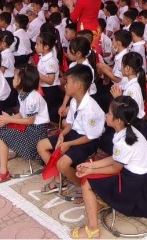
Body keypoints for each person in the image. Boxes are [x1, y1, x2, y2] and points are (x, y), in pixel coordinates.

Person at [73, 96, 147, 239]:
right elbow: (116, 158)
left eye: (108, 113)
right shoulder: (130, 131)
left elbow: (115, 168)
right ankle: (102, 202)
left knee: (86, 181)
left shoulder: (124, 142)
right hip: (140, 181)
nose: (106, 115)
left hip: (133, 188)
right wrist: (91, 165)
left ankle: (92, 229)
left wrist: (90, 170)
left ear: (118, 120)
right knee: (92, 173)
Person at [37, 66, 105, 196]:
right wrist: (62, 134)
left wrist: (68, 144)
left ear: (77, 85)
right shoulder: (74, 101)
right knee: (41, 145)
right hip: (74, 134)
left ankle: (82, 188)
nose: (65, 85)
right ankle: (59, 179)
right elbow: (71, 123)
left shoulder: (90, 109)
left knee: (62, 164)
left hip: (87, 141)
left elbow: (90, 137)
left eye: (67, 82)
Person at [0, 64, 50, 186]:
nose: (12, 80)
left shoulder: (33, 97)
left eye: (14, 77)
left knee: (1, 134)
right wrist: (7, 119)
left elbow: (30, 120)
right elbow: (22, 114)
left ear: (22, 81)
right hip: (30, 128)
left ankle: (3, 172)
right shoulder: (23, 95)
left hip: (36, 134)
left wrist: (9, 119)